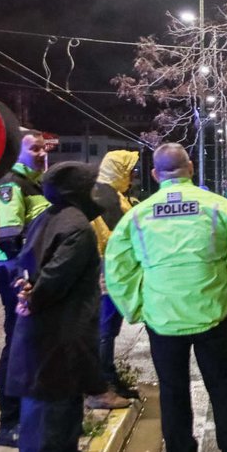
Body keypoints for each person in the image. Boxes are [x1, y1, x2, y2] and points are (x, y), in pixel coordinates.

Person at [105, 143, 227, 452]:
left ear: (154, 175)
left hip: (162, 322)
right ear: (190, 168)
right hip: (214, 316)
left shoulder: (137, 216)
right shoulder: (218, 207)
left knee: (173, 396)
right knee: (225, 392)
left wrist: (139, 308)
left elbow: (118, 270)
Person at [7, 162, 111, 452]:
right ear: (77, 190)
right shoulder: (77, 226)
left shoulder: (47, 219)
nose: (98, 192)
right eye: (93, 186)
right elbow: (56, 275)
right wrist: (34, 297)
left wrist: (25, 292)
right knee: (53, 405)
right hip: (61, 329)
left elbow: (24, 263)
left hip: (44, 329)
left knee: (57, 398)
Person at [0, 132, 50, 447]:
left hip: (29, 274)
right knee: (18, 344)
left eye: (43, 148)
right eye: (33, 148)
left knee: (31, 344)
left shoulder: (36, 185)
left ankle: (26, 415)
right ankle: (8, 422)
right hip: (15, 274)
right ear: (16, 155)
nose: (41, 153)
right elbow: (10, 239)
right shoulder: (9, 185)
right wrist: (25, 279)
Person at [89, 150, 142, 403]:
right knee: (105, 328)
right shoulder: (106, 197)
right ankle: (103, 384)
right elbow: (116, 236)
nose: (133, 174)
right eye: (130, 169)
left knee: (107, 328)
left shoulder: (112, 194)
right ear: (118, 169)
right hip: (107, 269)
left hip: (108, 267)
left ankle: (107, 377)